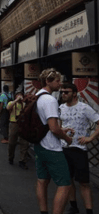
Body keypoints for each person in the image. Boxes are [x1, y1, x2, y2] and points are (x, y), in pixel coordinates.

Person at [35, 68, 73, 214]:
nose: (60, 83)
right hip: (51, 148)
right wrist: (67, 138)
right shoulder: (50, 100)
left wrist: (61, 129)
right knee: (65, 185)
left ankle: (43, 211)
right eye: (57, 80)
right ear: (48, 81)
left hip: (39, 145)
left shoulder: (38, 96)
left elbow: (45, 124)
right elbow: (53, 128)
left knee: (42, 181)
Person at [58, 83, 99, 214]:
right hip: (64, 148)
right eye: (62, 92)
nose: (63, 94)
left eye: (66, 92)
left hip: (79, 150)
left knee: (84, 183)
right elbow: (58, 126)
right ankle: (73, 206)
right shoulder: (60, 108)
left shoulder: (84, 108)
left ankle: (89, 211)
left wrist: (90, 138)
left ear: (74, 93)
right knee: (68, 181)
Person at [6, 92, 30, 169]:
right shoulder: (12, 103)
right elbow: (8, 108)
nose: (20, 97)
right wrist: (16, 100)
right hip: (14, 123)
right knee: (12, 142)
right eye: (18, 95)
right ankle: (11, 157)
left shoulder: (24, 104)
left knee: (24, 143)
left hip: (23, 124)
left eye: (21, 95)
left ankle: (22, 161)